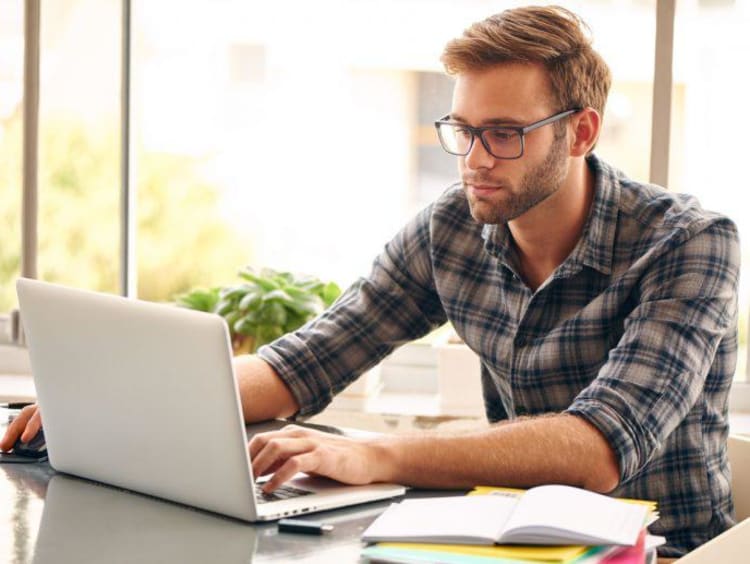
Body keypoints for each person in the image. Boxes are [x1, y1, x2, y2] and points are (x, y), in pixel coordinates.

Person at [1, 5, 739, 557]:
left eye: (505, 133)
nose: (474, 158)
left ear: (579, 132)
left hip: (666, 550)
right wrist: (110, 404)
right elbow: (305, 362)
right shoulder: (452, 227)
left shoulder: (689, 244)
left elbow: (597, 450)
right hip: (512, 542)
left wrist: (374, 453)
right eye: (461, 129)